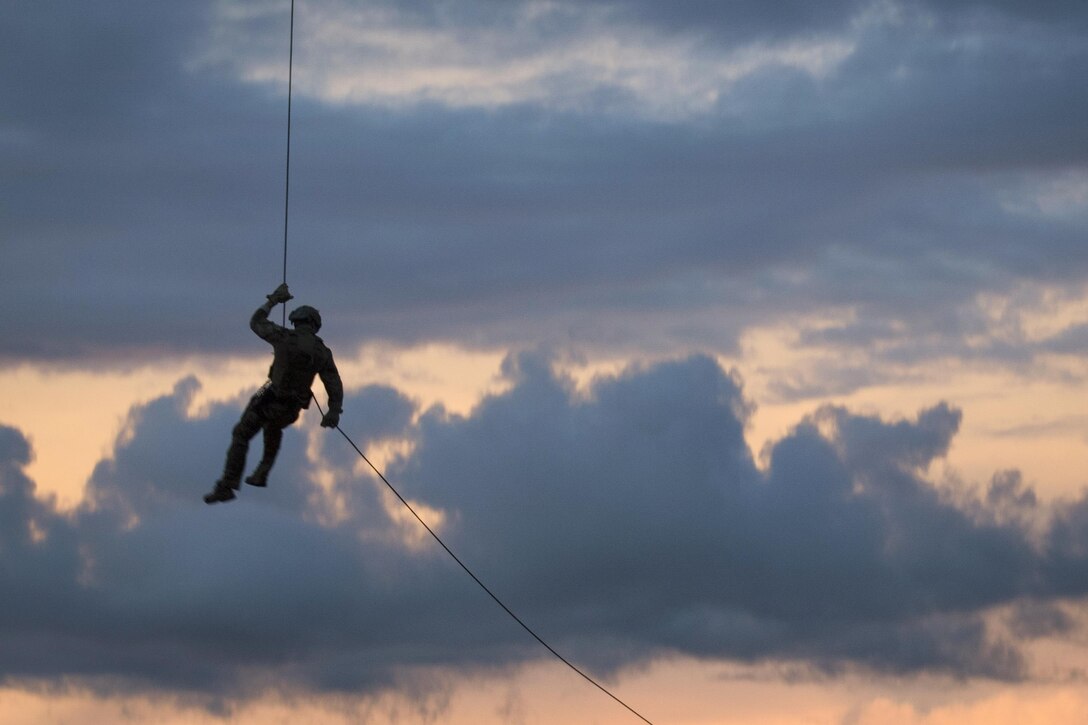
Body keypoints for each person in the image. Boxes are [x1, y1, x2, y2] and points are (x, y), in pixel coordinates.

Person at [204, 283, 343, 504]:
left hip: (269, 397)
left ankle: (227, 485)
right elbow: (334, 384)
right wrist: (333, 412)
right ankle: (262, 472)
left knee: (241, 434)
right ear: (315, 326)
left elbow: (255, 323)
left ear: (297, 321)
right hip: (292, 408)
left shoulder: (283, 337)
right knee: (274, 427)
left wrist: (273, 301)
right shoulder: (322, 353)